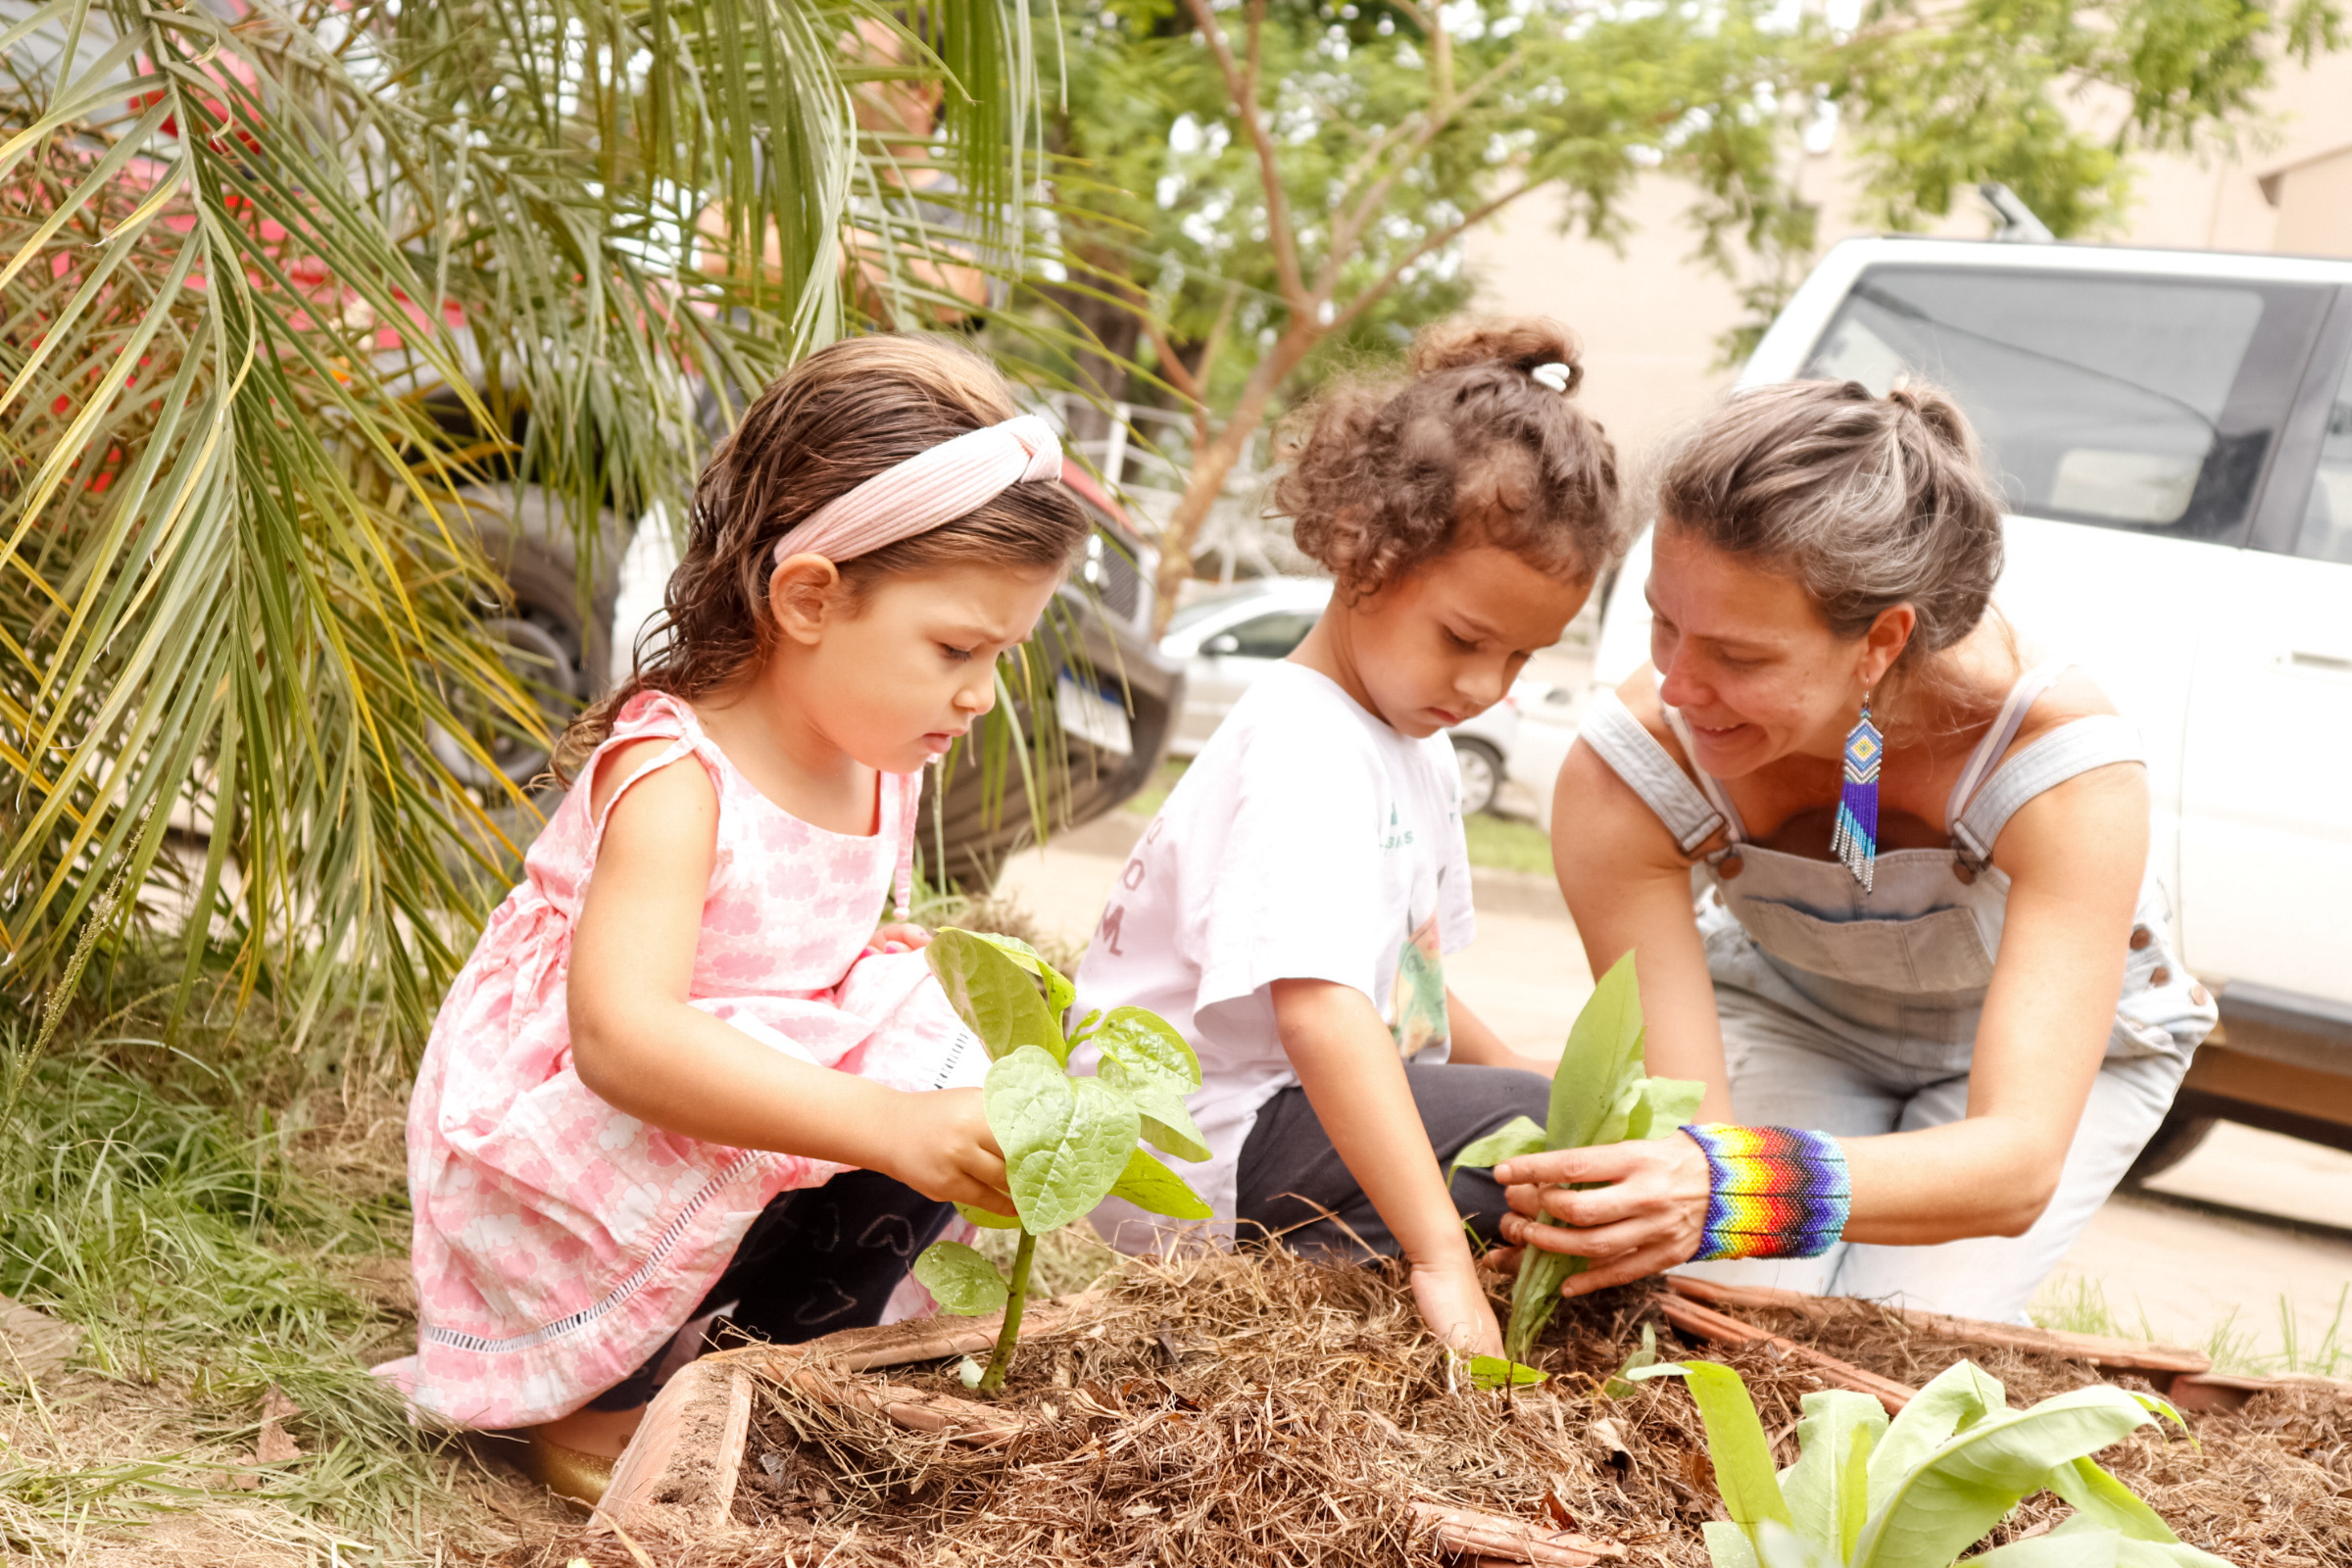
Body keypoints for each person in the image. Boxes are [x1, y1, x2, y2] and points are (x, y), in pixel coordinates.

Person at [383, 334, 1089, 1502]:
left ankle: (763, 1365)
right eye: (957, 648)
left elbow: (823, 940)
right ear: (810, 598)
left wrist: (877, 975)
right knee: (881, 1103)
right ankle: (604, 1398)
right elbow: (623, 1039)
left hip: (737, 1105)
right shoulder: (678, 775)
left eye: (1000, 657)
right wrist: (880, 1115)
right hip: (587, 1124)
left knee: (931, 1047)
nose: (978, 693)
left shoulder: (879, 756)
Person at [1498, 378, 2216, 1323]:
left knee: (1898, 1339)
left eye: (1739, 657)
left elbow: (2013, 1165)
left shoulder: (2059, 765)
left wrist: (1733, 1187)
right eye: (1662, 624)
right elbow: (1695, 1135)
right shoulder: (1629, 772)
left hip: (2050, 1068)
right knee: (1727, 1318)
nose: (1676, 687)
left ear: (1881, 640)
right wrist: (1708, 1187)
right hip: (1795, 1013)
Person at [1071, 318, 1625, 1357]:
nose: (1483, 688)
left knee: (1549, 1131)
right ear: (1360, 542)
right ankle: (1394, 1266)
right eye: (1464, 639)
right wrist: (1439, 1257)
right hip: (1200, 1150)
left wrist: (1527, 1084)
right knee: (1515, 1155)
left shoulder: (1398, 735)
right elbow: (1325, 1010)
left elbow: (1405, 976)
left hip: (1264, 1120)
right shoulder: (1305, 743)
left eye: (1521, 658)